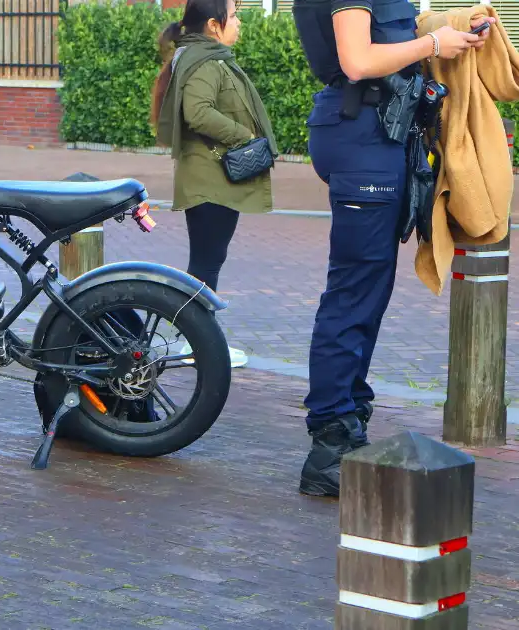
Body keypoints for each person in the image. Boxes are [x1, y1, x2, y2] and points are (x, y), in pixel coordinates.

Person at [291, 0, 492, 497]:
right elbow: (357, 61)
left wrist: (448, 29)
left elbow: (379, 40)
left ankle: (348, 421)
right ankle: (330, 442)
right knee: (355, 290)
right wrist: (433, 45)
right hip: (363, 135)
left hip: (372, 133)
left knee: (369, 287)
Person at [151, 0, 277, 370]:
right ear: (213, 24)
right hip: (210, 178)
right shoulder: (205, 61)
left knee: (207, 262)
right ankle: (196, 344)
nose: (239, 22)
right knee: (205, 264)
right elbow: (198, 111)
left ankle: (194, 341)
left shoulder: (201, 56)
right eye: (235, 15)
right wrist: (244, 135)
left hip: (209, 177)